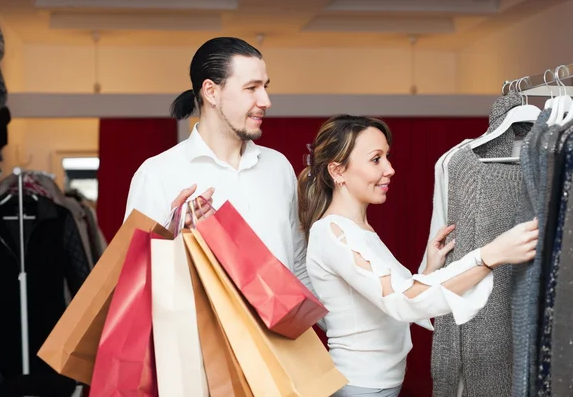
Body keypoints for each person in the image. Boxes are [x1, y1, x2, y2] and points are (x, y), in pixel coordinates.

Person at [297, 114, 539, 397]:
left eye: (387, 156)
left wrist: (429, 269)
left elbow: (388, 304)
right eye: (376, 159)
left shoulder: (357, 231)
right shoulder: (333, 233)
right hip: (360, 386)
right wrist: (488, 257)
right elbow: (401, 302)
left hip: (375, 384)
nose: (390, 169)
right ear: (337, 171)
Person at [124, 36, 307, 276]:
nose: (266, 101)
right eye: (251, 88)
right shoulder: (157, 174)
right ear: (211, 91)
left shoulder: (278, 166)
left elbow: (299, 264)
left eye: (265, 87)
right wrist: (170, 235)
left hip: (284, 315)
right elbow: (130, 278)